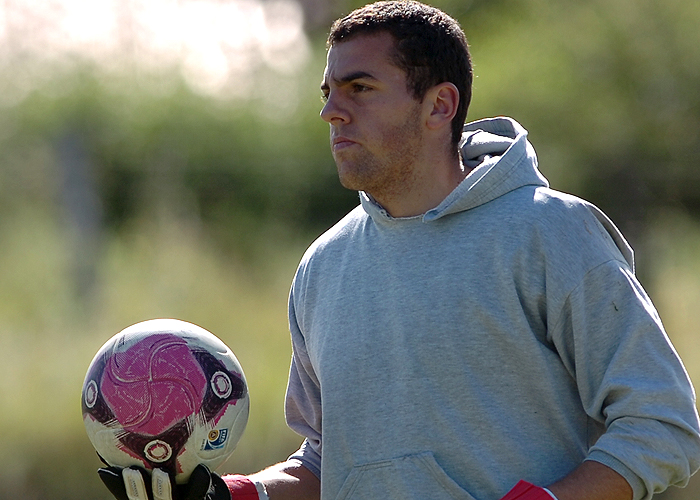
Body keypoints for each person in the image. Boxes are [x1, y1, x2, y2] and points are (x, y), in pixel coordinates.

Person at [98, 2, 700, 500]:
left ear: (439, 105)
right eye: (330, 90)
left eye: (360, 88)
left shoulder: (553, 234)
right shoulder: (323, 267)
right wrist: (229, 495)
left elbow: (663, 425)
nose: (333, 111)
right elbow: (326, 461)